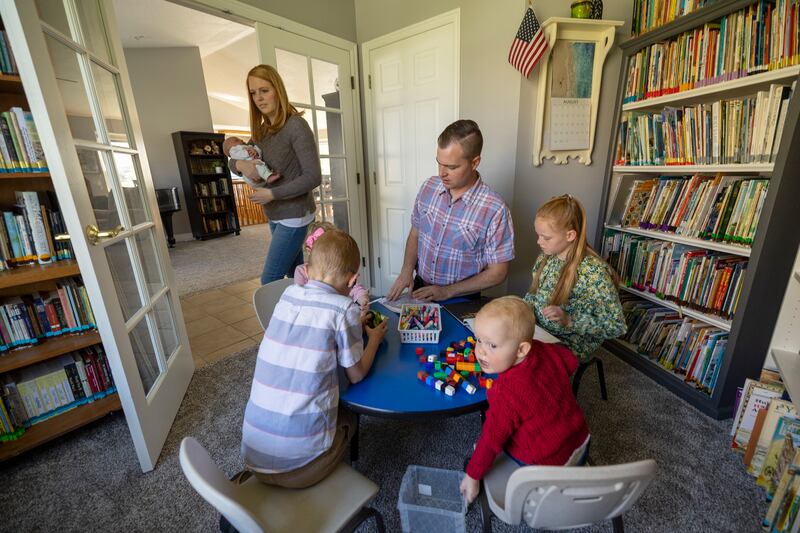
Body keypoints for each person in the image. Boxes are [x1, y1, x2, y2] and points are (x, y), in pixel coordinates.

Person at [240, 229, 388, 488]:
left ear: (306, 270)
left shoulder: (287, 296)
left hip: (253, 459)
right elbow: (357, 374)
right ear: (353, 280)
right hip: (301, 470)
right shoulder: (345, 311)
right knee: (348, 415)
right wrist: (373, 339)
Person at [460, 296, 590, 504]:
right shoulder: (545, 349)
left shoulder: (506, 391)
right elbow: (571, 362)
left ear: (521, 350)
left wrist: (473, 476)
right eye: (478, 340)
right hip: (582, 443)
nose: (480, 351)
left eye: (492, 345)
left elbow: (491, 440)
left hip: (550, 468)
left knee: (493, 440)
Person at [386, 119, 514, 302]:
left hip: (461, 298)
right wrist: (406, 272)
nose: (441, 173)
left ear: (475, 162)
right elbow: (416, 234)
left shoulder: (495, 209)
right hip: (421, 288)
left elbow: (498, 272)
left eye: (451, 167)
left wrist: (448, 291)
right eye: (439, 163)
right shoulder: (428, 187)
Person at [229, 64, 321, 285]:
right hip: (275, 214)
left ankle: (280, 320)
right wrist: (240, 164)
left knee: (270, 280)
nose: (258, 98)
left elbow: (313, 176)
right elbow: (234, 159)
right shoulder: (262, 132)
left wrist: (272, 194)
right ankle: (302, 316)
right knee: (296, 277)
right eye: (253, 93)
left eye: (264, 90)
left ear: (277, 90)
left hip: (295, 215)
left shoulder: (296, 126)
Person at [523, 194, 626, 364]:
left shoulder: (593, 272)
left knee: (526, 365)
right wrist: (518, 309)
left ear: (570, 235)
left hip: (569, 344)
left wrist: (569, 319)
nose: (539, 242)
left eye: (546, 237)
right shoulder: (546, 258)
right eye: (538, 235)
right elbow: (533, 296)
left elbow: (616, 326)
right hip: (540, 331)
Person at [294, 221, 370, 316]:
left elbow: (355, 287)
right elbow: (301, 302)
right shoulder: (301, 272)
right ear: (310, 251)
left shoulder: (339, 267)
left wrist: (362, 298)